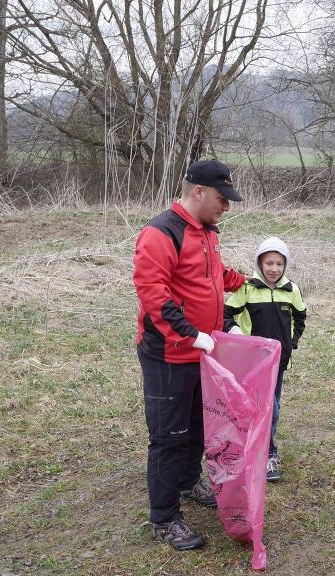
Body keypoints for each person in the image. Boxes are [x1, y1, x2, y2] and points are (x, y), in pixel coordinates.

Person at [133, 159, 246, 550]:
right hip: (168, 355)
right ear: (198, 192)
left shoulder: (207, 232)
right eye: (222, 198)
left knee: (199, 424)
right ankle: (164, 518)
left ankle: (186, 482)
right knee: (169, 437)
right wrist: (192, 335)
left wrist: (252, 284)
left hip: (203, 352)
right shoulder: (160, 232)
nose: (227, 207)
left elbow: (213, 276)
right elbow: (154, 297)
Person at [223, 236, 307, 483]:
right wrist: (237, 335)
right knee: (256, 408)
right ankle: (254, 449)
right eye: (269, 263)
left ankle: (268, 453)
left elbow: (301, 317)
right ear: (260, 263)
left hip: (278, 363)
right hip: (252, 364)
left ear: (285, 265)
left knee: (272, 408)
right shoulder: (247, 289)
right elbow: (226, 315)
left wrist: (291, 343)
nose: (274, 269)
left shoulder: (291, 290)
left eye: (279, 264)